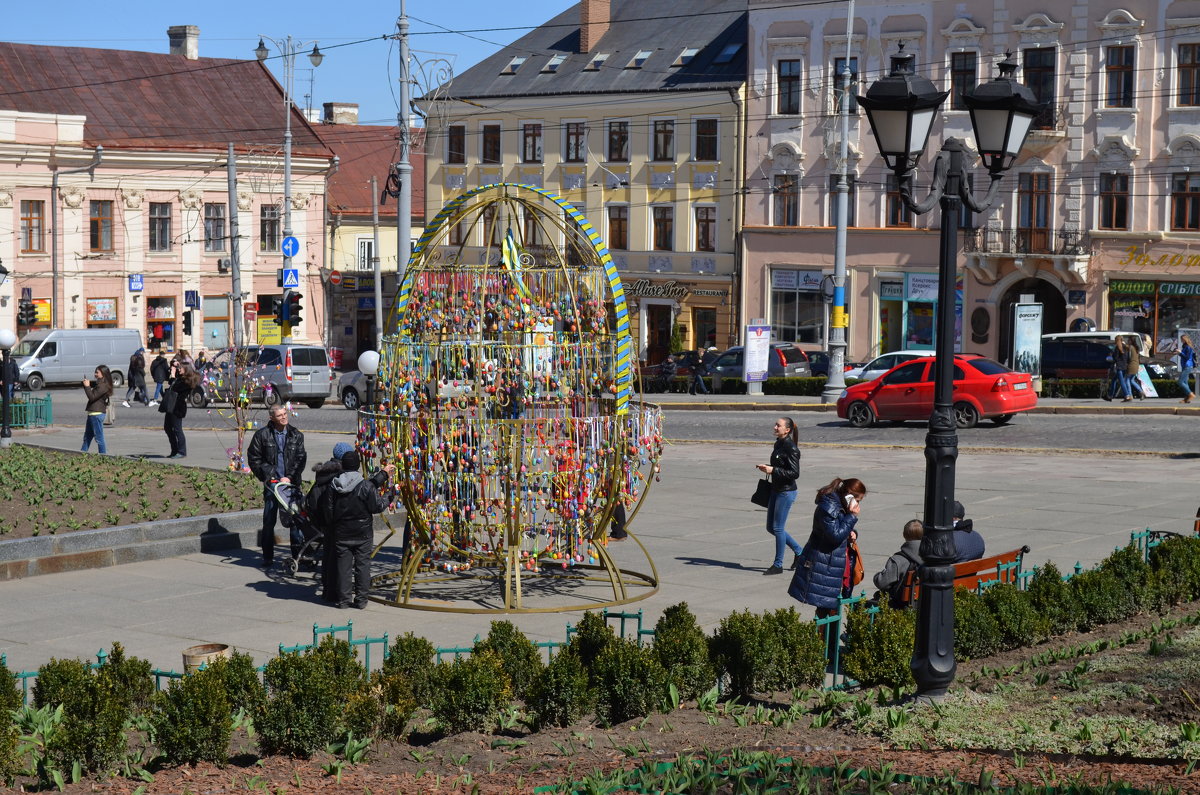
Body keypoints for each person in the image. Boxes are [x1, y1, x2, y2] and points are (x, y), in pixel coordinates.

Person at [319, 449, 395, 609]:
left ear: (342, 466)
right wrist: (389, 496)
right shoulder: (365, 485)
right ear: (358, 466)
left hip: (341, 533)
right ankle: (361, 600)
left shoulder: (334, 485)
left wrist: (335, 525)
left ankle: (343, 600)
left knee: (343, 568)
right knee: (362, 566)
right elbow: (377, 506)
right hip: (363, 533)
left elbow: (328, 510)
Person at [788, 477, 867, 619]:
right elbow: (835, 535)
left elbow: (841, 529)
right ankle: (823, 640)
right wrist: (852, 516)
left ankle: (827, 639)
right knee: (826, 608)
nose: (858, 504)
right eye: (858, 500)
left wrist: (853, 533)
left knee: (832, 607)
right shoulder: (829, 508)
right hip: (823, 563)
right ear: (849, 496)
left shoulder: (840, 505)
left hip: (833, 561)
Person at [247, 405, 308, 568]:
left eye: (284, 414)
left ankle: (298, 556)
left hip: (291, 485)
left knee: (296, 520)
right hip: (272, 486)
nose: (283, 417)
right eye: (279, 415)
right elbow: (254, 458)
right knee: (269, 521)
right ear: (272, 418)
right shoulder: (262, 435)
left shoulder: (296, 435)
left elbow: (301, 458)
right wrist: (271, 476)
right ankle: (267, 557)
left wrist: (290, 477)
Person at [307, 441, 356, 602]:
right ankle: (337, 592)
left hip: (324, 522)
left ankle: (328, 590)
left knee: (328, 557)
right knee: (339, 559)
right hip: (337, 522)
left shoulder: (322, 472)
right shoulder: (339, 477)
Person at [756, 417, 803, 575]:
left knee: (777, 528)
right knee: (771, 527)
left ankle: (778, 565)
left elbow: (795, 473)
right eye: (775, 424)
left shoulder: (791, 448)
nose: (775, 427)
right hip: (776, 489)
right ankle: (800, 552)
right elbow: (780, 465)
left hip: (786, 491)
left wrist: (773, 470)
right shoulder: (779, 443)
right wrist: (769, 467)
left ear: (787, 430)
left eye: (778, 425)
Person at [872, 520, 923, 609]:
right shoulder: (931, 558)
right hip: (922, 603)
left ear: (904, 535)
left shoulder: (898, 560)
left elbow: (882, 583)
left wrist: (877, 576)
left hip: (900, 607)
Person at [161, 362, 198, 459]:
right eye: (178, 368)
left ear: (186, 369)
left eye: (180, 368)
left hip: (178, 407)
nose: (179, 369)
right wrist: (173, 365)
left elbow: (176, 388)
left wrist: (173, 375)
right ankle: (174, 450)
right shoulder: (179, 378)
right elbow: (170, 381)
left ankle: (181, 451)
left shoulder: (187, 381)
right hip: (171, 406)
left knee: (177, 429)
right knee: (167, 428)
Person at [81, 365, 114, 454]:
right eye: (95, 372)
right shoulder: (100, 384)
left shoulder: (103, 386)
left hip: (96, 414)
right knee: (87, 437)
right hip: (92, 414)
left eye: (97, 372)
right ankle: (81, 454)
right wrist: (86, 386)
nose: (95, 374)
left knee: (99, 438)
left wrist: (87, 386)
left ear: (103, 374)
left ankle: (103, 457)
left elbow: (92, 397)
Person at [1179, 334, 1196, 404]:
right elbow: (1184, 356)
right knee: (1185, 382)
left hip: (1187, 366)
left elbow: (1187, 357)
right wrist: (1179, 353)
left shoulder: (1188, 347)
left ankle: (1190, 394)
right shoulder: (1185, 346)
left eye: (1182, 339)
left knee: (1180, 382)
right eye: (1181, 339)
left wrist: (1180, 353)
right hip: (1185, 366)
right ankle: (1187, 399)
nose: (1181, 341)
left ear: (1185, 339)